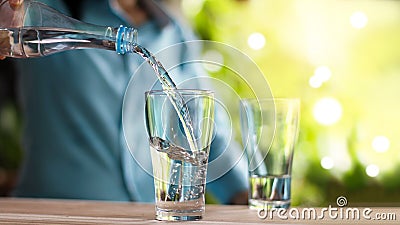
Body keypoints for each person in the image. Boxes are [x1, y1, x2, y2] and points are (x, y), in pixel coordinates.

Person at [1, 0, 248, 204]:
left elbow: (205, 126)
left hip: (147, 215)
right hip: (50, 212)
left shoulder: (174, 33)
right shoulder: (34, 13)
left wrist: (244, 195)